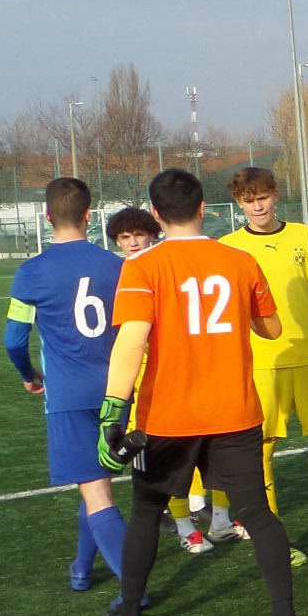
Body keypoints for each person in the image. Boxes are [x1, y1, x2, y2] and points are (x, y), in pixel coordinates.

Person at [97, 169, 300, 616]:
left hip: (167, 416)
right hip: (235, 411)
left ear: (155, 214)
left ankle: (129, 612)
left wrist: (112, 412)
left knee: (147, 511)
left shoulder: (142, 266)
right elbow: (271, 329)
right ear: (204, 208)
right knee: (258, 513)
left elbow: (131, 341)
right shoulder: (240, 260)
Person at [6, 177, 130, 595]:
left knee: (96, 492)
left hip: (69, 394)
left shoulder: (31, 271)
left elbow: (14, 340)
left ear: (46, 216)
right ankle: (81, 567)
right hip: (118, 389)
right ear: (88, 215)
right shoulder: (118, 266)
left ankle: (135, 592)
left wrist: (28, 375)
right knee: (95, 481)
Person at [217, 167, 308, 565]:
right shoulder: (228, 247)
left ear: (275, 195)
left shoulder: (305, 236)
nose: (257, 206)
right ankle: (271, 536)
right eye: (249, 200)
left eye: (263, 197)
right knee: (262, 448)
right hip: (260, 363)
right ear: (239, 203)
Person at [106, 205, 214, 555]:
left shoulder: (163, 267)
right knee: (154, 455)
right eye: (125, 237)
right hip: (137, 378)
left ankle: (211, 513)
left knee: (194, 446)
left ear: (153, 233)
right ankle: (184, 526)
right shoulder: (123, 273)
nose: (133, 242)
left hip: (177, 371)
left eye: (139, 234)